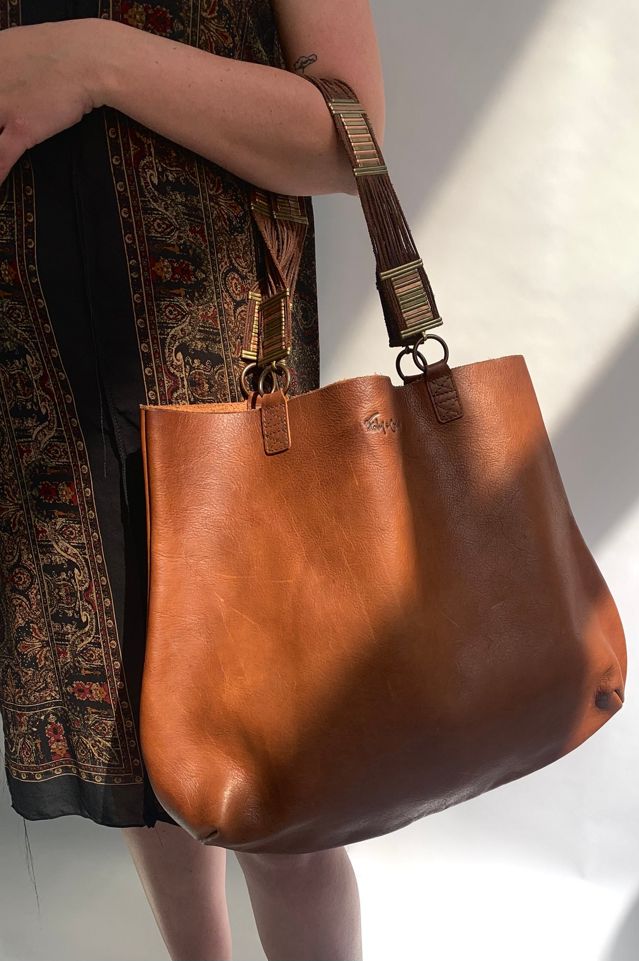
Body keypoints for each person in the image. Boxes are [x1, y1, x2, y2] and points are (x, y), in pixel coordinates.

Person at [0, 1, 385, 959]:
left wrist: (92, 59)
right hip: (38, 400)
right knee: (145, 765)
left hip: (231, 412)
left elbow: (349, 136)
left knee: (284, 799)